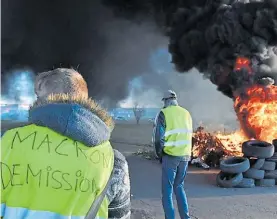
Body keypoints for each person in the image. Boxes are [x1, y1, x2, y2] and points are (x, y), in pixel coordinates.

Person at [1, 68, 131, 219]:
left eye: (37, 95)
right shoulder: (114, 161)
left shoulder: (7, 142)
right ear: (84, 98)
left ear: (44, 97)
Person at [153, 90, 193, 219]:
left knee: (167, 191)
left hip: (171, 156)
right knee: (179, 187)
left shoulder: (164, 113)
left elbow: (159, 138)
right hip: (185, 156)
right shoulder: (186, 113)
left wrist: (159, 154)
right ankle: (185, 217)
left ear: (166, 101)